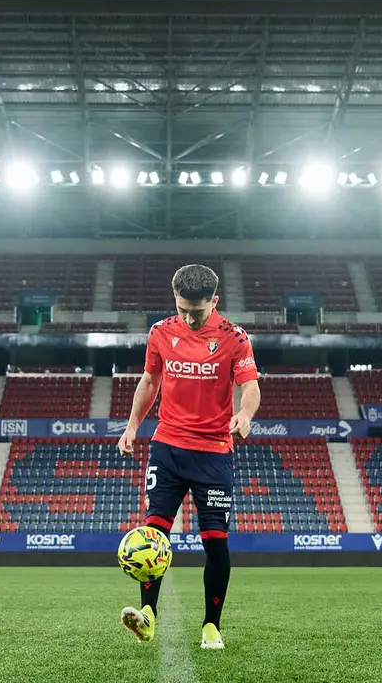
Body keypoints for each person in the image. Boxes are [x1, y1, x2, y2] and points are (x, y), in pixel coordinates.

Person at [116, 263, 261, 650]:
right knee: (153, 534)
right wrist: (131, 426)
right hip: (168, 446)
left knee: (215, 541)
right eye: (182, 308)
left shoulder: (235, 337)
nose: (189, 317)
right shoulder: (161, 332)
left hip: (214, 450)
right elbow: (150, 381)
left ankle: (211, 625)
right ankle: (147, 616)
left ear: (214, 301)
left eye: (196, 310)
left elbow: (250, 386)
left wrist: (245, 415)